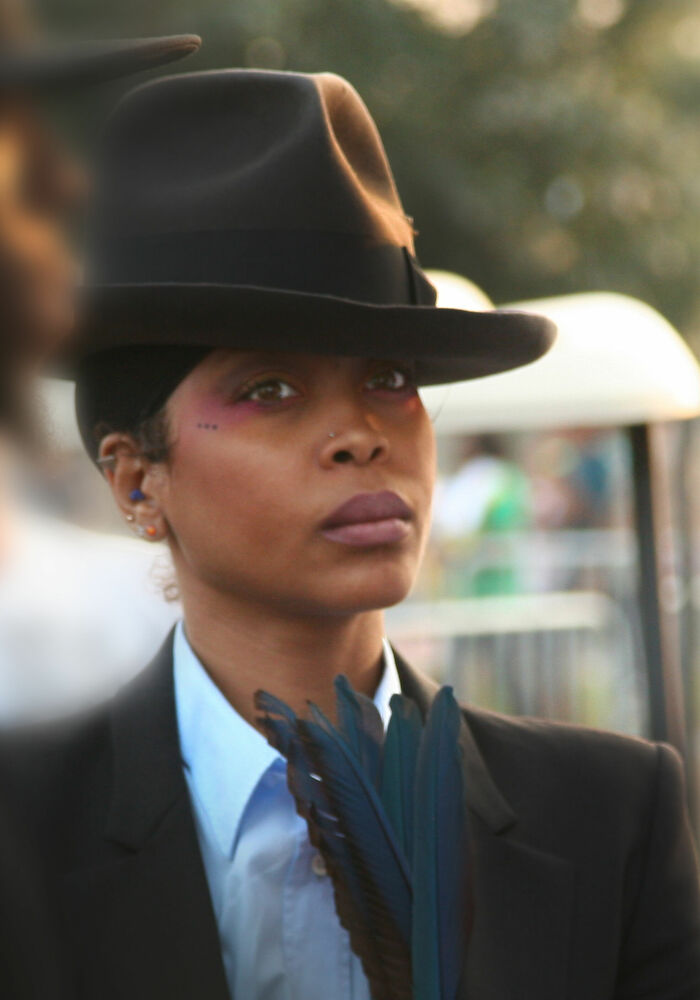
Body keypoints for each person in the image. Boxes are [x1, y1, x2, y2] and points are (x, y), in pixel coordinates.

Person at [6, 68, 699, 999]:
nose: (362, 434)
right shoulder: (19, 832)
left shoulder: (608, 816)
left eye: (391, 378)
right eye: (269, 390)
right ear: (136, 476)